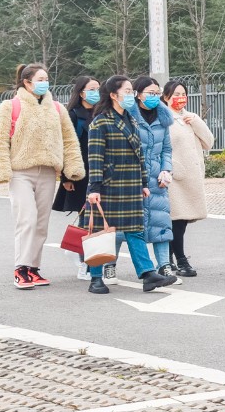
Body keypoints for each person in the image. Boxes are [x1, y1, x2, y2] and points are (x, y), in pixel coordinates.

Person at [0, 63, 85, 290]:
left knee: (41, 224)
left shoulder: (57, 109)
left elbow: (70, 141)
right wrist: (1, 170)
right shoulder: (9, 106)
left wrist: (72, 168)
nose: (45, 83)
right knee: (27, 219)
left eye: (46, 79)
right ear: (27, 82)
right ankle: (20, 269)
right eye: (40, 79)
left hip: (48, 173)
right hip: (20, 172)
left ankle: (33, 268)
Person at [83, 75, 176, 295]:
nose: (130, 95)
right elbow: (95, 158)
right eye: (126, 91)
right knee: (100, 232)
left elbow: (139, 156)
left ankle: (148, 274)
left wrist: (143, 182)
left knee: (135, 230)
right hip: (108, 186)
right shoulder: (100, 122)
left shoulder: (131, 120)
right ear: (113, 95)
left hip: (132, 185)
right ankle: (95, 278)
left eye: (131, 91)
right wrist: (94, 188)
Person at [163, 80, 213, 277]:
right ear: (166, 97)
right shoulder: (163, 118)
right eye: (175, 94)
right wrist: (173, 167)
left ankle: (169, 258)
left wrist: (196, 122)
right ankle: (180, 260)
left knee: (181, 222)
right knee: (176, 220)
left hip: (191, 178)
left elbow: (208, 142)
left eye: (183, 94)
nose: (180, 98)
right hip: (173, 178)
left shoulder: (190, 117)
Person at [52, 76, 100, 280]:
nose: (96, 93)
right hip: (80, 173)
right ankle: (83, 263)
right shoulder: (72, 115)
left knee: (98, 218)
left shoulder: (101, 112)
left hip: (99, 171)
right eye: (92, 89)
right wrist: (66, 177)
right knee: (86, 218)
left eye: (98, 89)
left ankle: (89, 258)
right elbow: (66, 146)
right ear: (81, 93)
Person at [131, 76, 177, 282]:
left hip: (157, 178)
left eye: (157, 93)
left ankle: (164, 265)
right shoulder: (129, 116)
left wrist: (166, 170)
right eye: (150, 93)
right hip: (132, 177)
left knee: (161, 222)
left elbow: (166, 149)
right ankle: (109, 265)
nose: (154, 97)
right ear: (138, 94)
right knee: (125, 226)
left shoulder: (162, 117)